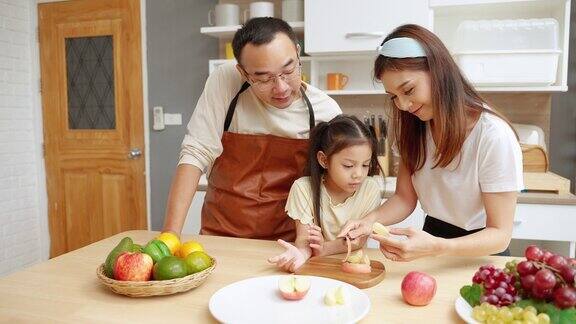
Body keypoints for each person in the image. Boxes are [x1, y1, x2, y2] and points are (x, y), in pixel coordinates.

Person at [338, 24, 523, 261]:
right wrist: (367, 222)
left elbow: (500, 234)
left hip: (481, 253)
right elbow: (405, 198)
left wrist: (438, 247)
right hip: (432, 240)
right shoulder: (414, 128)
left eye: (409, 90)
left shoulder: (492, 135)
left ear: (438, 71)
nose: (403, 105)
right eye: (394, 96)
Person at [161, 18, 341, 241]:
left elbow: (337, 184)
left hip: (289, 243)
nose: (281, 87)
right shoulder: (226, 81)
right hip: (221, 236)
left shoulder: (326, 111)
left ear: (297, 52)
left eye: (288, 70)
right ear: (243, 72)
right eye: (264, 78)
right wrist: (169, 236)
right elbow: (195, 151)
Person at [268, 115, 383, 272]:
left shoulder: (370, 189)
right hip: (318, 266)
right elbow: (303, 239)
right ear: (324, 160)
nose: (358, 174)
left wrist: (325, 248)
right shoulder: (303, 189)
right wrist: (301, 253)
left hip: (351, 266)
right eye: (348, 165)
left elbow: (358, 241)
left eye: (365, 165)